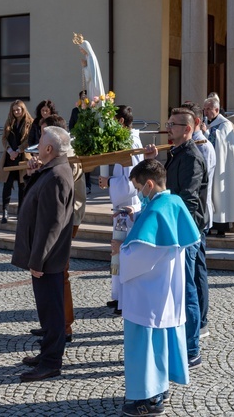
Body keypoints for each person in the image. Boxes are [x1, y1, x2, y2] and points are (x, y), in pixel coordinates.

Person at [114, 159, 197, 416]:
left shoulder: (156, 212)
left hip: (147, 295)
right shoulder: (172, 203)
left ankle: (146, 400)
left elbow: (139, 254)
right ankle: (160, 389)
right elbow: (161, 236)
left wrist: (121, 251)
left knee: (145, 345)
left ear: (149, 184)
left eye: (139, 187)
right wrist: (137, 216)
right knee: (161, 341)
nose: (139, 193)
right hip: (166, 290)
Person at [144, 107, 208, 369]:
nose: (168, 128)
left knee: (188, 291)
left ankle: (192, 349)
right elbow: (166, 187)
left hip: (185, 232)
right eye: (169, 123)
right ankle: (181, 343)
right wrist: (154, 161)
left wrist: (174, 232)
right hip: (175, 230)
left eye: (174, 124)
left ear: (188, 129)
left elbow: (187, 201)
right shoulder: (176, 153)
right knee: (178, 291)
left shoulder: (192, 157)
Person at [12, 126, 74, 382]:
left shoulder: (58, 174)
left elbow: (52, 224)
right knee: (47, 310)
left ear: (49, 149)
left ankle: (51, 362)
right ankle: (47, 354)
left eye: (40, 142)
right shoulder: (51, 170)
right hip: (45, 257)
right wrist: (31, 175)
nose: (37, 145)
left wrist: (38, 259)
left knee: (52, 311)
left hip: (48, 259)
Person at [28, 114, 85, 343]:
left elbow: (60, 190)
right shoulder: (54, 161)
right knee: (51, 277)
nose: (39, 143)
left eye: (42, 136)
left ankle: (64, 326)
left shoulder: (67, 159)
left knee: (59, 274)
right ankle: (52, 324)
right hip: (59, 219)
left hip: (67, 221)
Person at [98, 105, 143, 314]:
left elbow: (133, 182)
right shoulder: (124, 141)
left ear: (121, 122)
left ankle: (125, 299)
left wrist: (109, 181)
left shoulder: (131, 142)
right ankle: (118, 296)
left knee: (122, 250)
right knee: (116, 250)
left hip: (128, 205)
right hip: (121, 205)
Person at [180, 101, 215, 338]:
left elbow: (199, 189)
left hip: (197, 216)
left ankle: (201, 319)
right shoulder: (189, 146)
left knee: (198, 270)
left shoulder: (202, 147)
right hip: (194, 214)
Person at [203, 95, 234, 236]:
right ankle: (209, 225)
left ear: (216, 109)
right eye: (205, 109)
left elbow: (219, 141)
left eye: (209, 109)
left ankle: (221, 227)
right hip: (210, 166)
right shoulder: (206, 122)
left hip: (222, 167)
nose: (206, 112)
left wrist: (205, 132)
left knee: (220, 195)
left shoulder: (225, 124)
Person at [0, 100, 33, 223]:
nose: (16, 112)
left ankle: (21, 213)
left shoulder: (29, 122)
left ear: (23, 109)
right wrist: (10, 150)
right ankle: (5, 212)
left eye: (18, 110)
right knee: (7, 184)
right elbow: (4, 138)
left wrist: (19, 150)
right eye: (14, 110)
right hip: (10, 157)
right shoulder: (10, 121)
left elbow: (29, 139)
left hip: (22, 157)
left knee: (22, 186)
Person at [69, 90, 92, 194]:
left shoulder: (91, 110)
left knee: (87, 163)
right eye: (82, 98)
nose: (84, 99)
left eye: (85, 97)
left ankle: (88, 185)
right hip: (78, 139)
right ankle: (78, 184)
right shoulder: (75, 111)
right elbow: (71, 125)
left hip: (88, 139)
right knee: (78, 163)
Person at [74, 33, 105, 100]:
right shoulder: (88, 57)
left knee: (94, 98)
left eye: (81, 49)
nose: (81, 51)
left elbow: (90, 75)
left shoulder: (91, 58)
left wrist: (84, 66)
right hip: (91, 84)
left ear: (86, 48)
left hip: (94, 84)